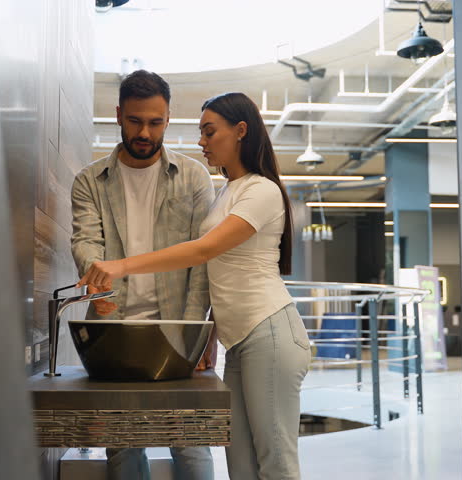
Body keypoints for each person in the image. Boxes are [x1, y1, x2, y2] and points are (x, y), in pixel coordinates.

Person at [79, 92, 312, 479]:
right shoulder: (228, 191)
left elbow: (204, 250)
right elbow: (225, 273)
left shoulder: (263, 190)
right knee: (240, 464)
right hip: (239, 342)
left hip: (270, 333)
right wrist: (211, 331)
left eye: (208, 131)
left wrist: (120, 265)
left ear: (240, 131)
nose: (201, 142)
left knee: (276, 462)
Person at [70, 70, 216, 480]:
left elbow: (202, 262)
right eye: (135, 121)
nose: (145, 132)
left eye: (155, 122)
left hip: (177, 328)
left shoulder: (192, 177)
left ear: (168, 118)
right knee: (123, 448)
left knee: (189, 443)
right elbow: (85, 241)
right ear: (118, 114)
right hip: (114, 330)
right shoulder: (89, 181)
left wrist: (198, 332)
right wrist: (94, 275)